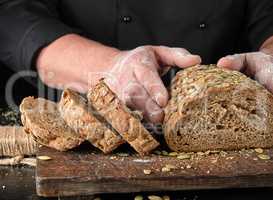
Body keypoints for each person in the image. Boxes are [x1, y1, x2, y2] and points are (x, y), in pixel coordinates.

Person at [0, 0, 273, 123]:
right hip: (83, 133)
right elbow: (12, 17)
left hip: (227, 135)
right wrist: (110, 66)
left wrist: (269, 60)